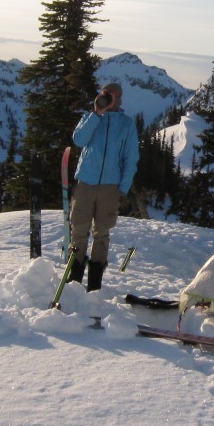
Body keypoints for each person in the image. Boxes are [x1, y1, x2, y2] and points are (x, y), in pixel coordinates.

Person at [67, 82, 140, 291]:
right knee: (79, 230)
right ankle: (74, 281)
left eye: (113, 95)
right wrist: (96, 114)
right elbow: (79, 140)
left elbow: (131, 158)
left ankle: (94, 285)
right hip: (85, 183)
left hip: (110, 186)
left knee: (102, 234)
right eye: (105, 93)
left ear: (120, 98)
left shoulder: (126, 124)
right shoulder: (90, 117)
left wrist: (122, 189)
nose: (108, 97)